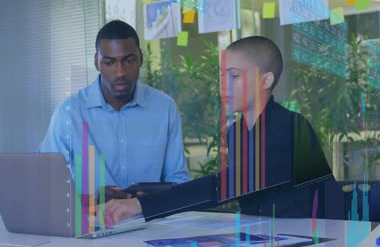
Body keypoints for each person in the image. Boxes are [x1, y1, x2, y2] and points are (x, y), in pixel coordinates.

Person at [102, 36, 333, 223]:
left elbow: (226, 185)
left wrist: (143, 205)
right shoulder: (236, 133)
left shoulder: (290, 127)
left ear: (265, 81)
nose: (224, 84)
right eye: (222, 76)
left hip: (321, 235)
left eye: (234, 75)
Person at [38, 20, 190, 189]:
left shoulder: (164, 108)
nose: (120, 72)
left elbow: (178, 181)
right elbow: (46, 179)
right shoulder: (69, 113)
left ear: (140, 58)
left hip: (149, 214)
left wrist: (144, 203)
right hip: (90, 214)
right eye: (109, 63)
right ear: (97, 62)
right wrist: (91, 200)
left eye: (129, 61)